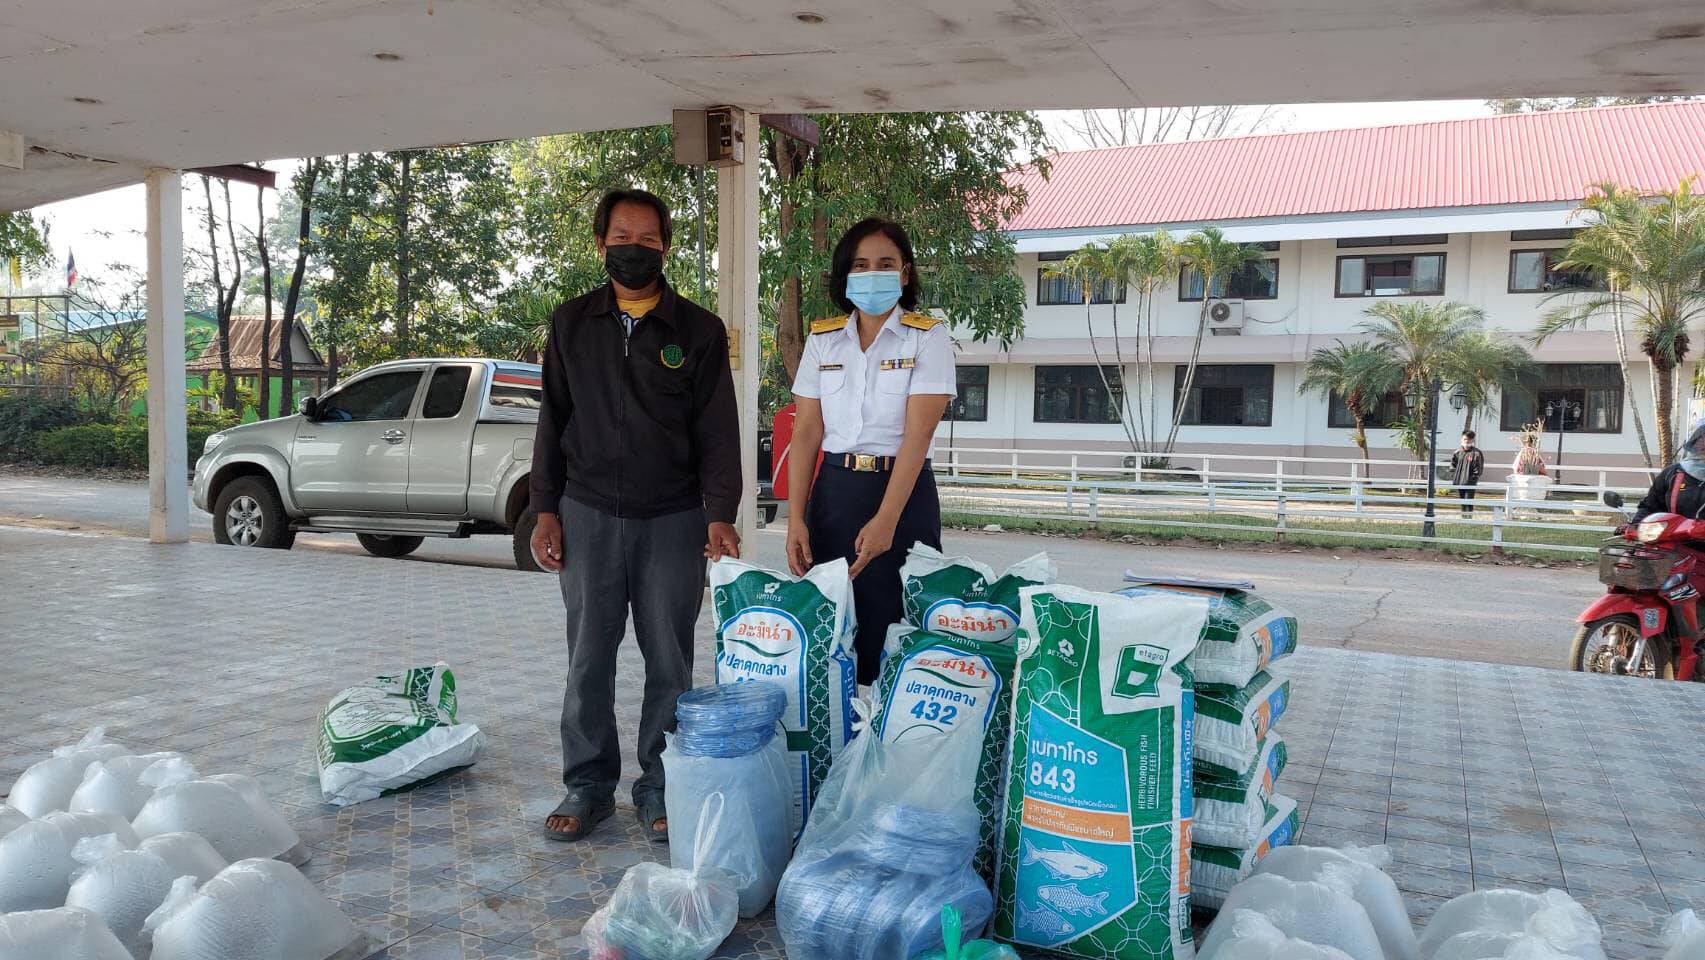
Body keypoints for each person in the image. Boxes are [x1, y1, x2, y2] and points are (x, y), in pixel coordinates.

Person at [529, 188, 743, 844]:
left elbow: (717, 430)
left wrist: (718, 513)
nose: (634, 248)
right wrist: (545, 510)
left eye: (648, 239)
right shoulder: (570, 324)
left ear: (666, 248)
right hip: (588, 510)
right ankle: (588, 784)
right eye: (622, 236)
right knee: (588, 658)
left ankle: (659, 785)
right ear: (600, 244)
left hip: (673, 518)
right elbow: (552, 421)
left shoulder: (698, 331)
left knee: (669, 660)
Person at [784, 217, 956, 684]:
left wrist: (886, 521)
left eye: (886, 263)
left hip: (901, 494)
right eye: (860, 264)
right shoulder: (822, 340)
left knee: (897, 628)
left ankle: (889, 745)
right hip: (835, 493)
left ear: (904, 274)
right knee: (832, 628)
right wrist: (795, 520)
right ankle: (839, 743)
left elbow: (917, 438)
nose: (872, 273)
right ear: (845, 275)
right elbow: (806, 435)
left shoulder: (928, 337)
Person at [1632, 418, 1705, 521]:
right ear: (1695, 441)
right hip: (1676, 537)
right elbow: (1650, 506)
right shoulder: (1672, 473)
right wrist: (1636, 524)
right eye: (1702, 437)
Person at [1449, 430, 1485, 516]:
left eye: (1469, 440)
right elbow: (1452, 465)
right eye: (1465, 439)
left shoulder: (1476, 453)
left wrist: (1473, 480)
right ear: (1462, 439)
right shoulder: (1457, 452)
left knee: (1468, 501)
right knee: (1462, 502)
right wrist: (1454, 475)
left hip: (1470, 483)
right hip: (1459, 482)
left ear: (1473, 440)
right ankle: (1463, 518)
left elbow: (1478, 469)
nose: (1466, 441)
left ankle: (1469, 518)